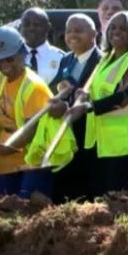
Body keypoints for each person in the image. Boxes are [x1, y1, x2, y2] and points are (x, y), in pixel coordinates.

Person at [74, 11, 128, 195]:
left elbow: (124, 96)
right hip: (101, 144)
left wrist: (88, 107)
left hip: (126, 146)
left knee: (120, 202)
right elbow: (99, 91)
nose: (116, 32)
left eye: (123, 29)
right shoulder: (105, 60)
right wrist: (85, 95)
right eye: (113, 27)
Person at [0, 26, 55, 198]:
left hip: (29, 163)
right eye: (0, 61)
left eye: (10, 59)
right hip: (5, 163)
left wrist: (1, 150)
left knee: (25, 215)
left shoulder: (34, 87)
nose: (5, 65)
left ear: (22, 54)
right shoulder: (2, 78)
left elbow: (31, 131)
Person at [45, 14, 102, 202]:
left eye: (79, 30)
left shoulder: (103, 60)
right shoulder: (66, 60)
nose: (72, 35)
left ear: (93, 34)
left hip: (90, 136)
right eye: (69, 31)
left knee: (87, 193)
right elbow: (60, 87)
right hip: (67, 136)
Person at [18, 8, 65, 85]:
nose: (31, 28)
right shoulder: (12, 57)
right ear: (21, 27)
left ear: (48, 27)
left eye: (36, 24)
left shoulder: (61, 58)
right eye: (26, 24)